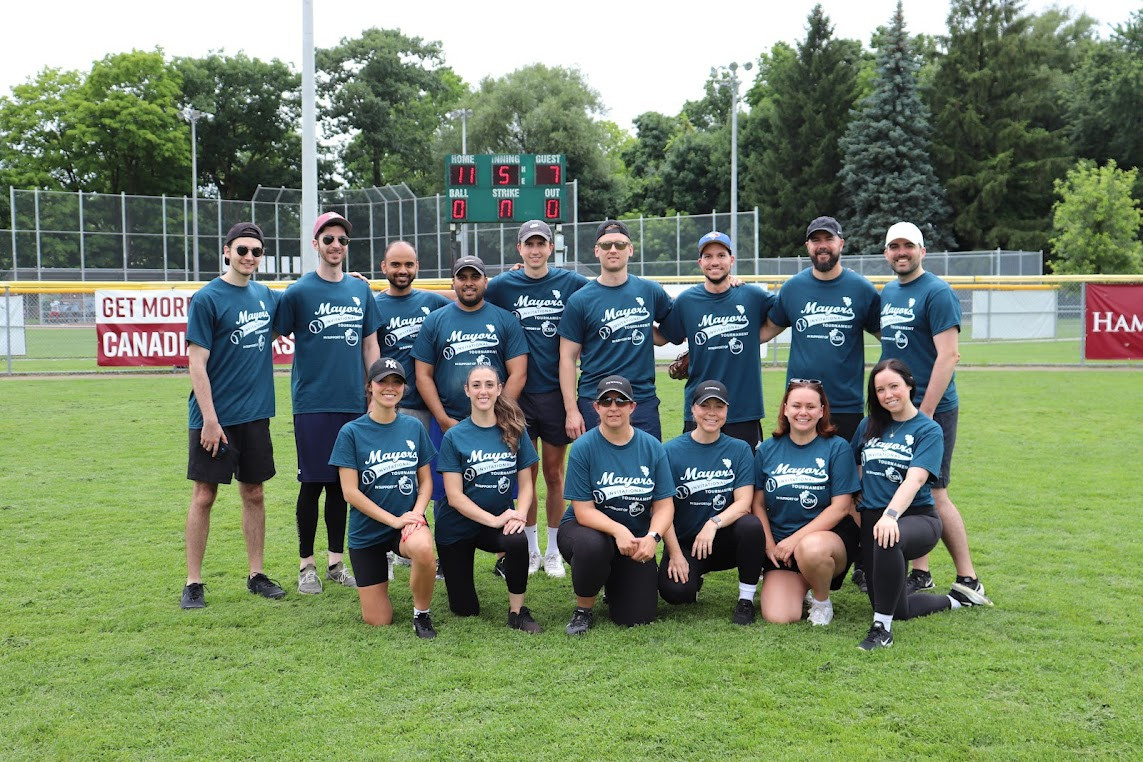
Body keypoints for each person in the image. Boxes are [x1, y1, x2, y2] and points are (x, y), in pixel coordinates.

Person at [879, 222, 991, 604]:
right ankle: (922, 572)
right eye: (894, 246)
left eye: (908, 245)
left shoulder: (937, 291)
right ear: (886, 253)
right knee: (909, 488)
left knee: (935, 491)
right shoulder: (890, 291)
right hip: (898, 407)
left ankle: (969, 578)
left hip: (931, 409)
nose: (901, 252)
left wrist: (922, 414)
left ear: (922, 251)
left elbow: (949, 356)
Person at [274, 211, 382, 595]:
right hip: (313, 403)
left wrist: (376, 388)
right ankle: (307, 566)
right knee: (312, 484)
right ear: (315, 244)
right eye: (329, 239)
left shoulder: (359, 291)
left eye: (342, 240)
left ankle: (337, 562)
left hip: (352, 402)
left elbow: (371, 343)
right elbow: (274, 332)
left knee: (341, 486)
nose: (336, 245)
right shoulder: (299, 292)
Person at [180, 222, 284, 609]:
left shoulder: (266, 297)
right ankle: (193, 582)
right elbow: (196, 364)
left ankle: (256, 574)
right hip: (214, 418)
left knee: (254, 493)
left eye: (256, 252)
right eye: (242, 250)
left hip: (254, 415)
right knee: (204, 495)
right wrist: (209, 418)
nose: (249, 257)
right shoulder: (207, 298)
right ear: (226, 251)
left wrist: (351, 278)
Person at [851, 359, 983, 650]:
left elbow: (915, 479)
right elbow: (855, 464)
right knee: (898, 608)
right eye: (880, 389)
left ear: (910, 385)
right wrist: (858, 498)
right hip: (875, 520)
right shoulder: (868, 424)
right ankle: (956, 600)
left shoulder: (927, 429)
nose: (888, 394)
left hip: (917, 518)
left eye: (894, 386)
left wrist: (890, 515)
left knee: (889, 539)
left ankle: (880, 631)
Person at [485, 220, 590, 576]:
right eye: (528, 244)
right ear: (519, 249)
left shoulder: (570, 282)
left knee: (554, 473)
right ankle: (529, 549)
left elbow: (606, 289)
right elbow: (463, 294)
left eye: (540, 244)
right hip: (517, 397)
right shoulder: (503, 285)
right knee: (525, 474)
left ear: (550, 247)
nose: (534, 250)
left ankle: (554, 550)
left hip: (556, 395)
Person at [329, 358, 439, 638]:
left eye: (396, 382)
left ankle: (421, 614)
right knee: (379, 620)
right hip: (367, 532)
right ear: (370, 387)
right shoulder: (351, 432)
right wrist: (394, 519)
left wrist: (414, 514)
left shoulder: (413, 428)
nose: (389, 388)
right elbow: (350, 492)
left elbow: (426, 481)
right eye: (383, 382)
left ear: (403, 388)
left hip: (405, 525)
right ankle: (380, 587)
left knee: (425, 550)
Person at [556, 376, 675, 634]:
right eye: (606, 401)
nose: (614, 407)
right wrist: (618, 530)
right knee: (592, 546)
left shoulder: (652, 447)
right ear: (595, 407)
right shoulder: (584, 447)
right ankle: (583, 610)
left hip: (632, 542)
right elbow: (583, 510)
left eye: (621, 401)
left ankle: (612, 581)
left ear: (632, 407)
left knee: (636, 616)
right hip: (585, 530)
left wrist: (653, 537)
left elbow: (664, 506)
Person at [435, 366, 543, 633]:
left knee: (517, 538)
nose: (483, 391)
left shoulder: (515, 430)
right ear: (467, 391)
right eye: (476, 385)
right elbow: (454, 496)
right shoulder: (455, 436)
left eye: (488, 384)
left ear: (499, 389)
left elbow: (527, 483)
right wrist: (496, 520)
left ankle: (517, 611)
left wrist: (519, 514)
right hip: (456, 529)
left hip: (496, 524)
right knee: (465, 609)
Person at [760, 216, 880, 443]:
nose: (822, 245)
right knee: (801, 474)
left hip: (845, 405)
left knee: (847, 474)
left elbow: (888, 338)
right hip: (800, 405)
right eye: (815, 240)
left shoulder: (862, 289)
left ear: (841, 243)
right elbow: (766, 331)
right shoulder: (793, 288)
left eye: (829, 238)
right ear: (808, 246)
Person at [752, 379, 860, 626]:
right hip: (782, 546)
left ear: (822, 411)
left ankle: (822, 601)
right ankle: (807, 583)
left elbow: (841, 507)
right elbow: (757, 504)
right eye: (796, 405)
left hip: (827, 542)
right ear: (785, 409)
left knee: (810, 548)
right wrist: (770, 545)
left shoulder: (837, 448)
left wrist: (795, 540)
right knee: (779, 616)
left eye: (811, 406)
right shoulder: (767, 449)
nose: (803, 412)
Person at [658, 232, 775, 450]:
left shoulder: (751, 296)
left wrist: (759, 336)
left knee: (746, 479)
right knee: (698, 479)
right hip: (699, 407)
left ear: (731, 260)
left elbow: (783, 315)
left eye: (721, 255)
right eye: (708, 256)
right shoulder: (686, 301)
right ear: (700, 262)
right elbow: (665, 337)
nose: (714, 262)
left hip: (743, 409)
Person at [659, 380, 762, 624]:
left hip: (724, 539)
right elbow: (663, 509)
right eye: (705, 406)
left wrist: (713, 523)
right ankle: (694, 577)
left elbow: (744, 502)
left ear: (727, 411)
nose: (712, 413)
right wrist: (675, 553)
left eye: (719, 406)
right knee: (676, 594)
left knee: (751, 526)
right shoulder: (670, 451)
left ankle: (746, 600)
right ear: (693, 409)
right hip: (687, 542)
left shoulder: (739, 449)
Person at [559, 220, 673, 441]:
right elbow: (567, 358)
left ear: (630, 250)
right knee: (599, 473)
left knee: (646, 470)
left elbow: (675, 325)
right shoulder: (580, 300)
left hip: (641, 400)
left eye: (620, 245)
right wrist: (571, 411)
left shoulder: (649, 291)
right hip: (596, 401)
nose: (613, 250)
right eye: (606, 245)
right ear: (596, 251)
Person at [375, 240, 452, 434]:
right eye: (395, 264)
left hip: (430, 405)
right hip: (391, 402)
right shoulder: (375, 306)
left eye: (409, 265)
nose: (403, 270)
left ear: (417, 266)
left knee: (426, 464)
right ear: (383, 267)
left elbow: (468, 297)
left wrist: (516, 272)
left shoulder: (432, 302)